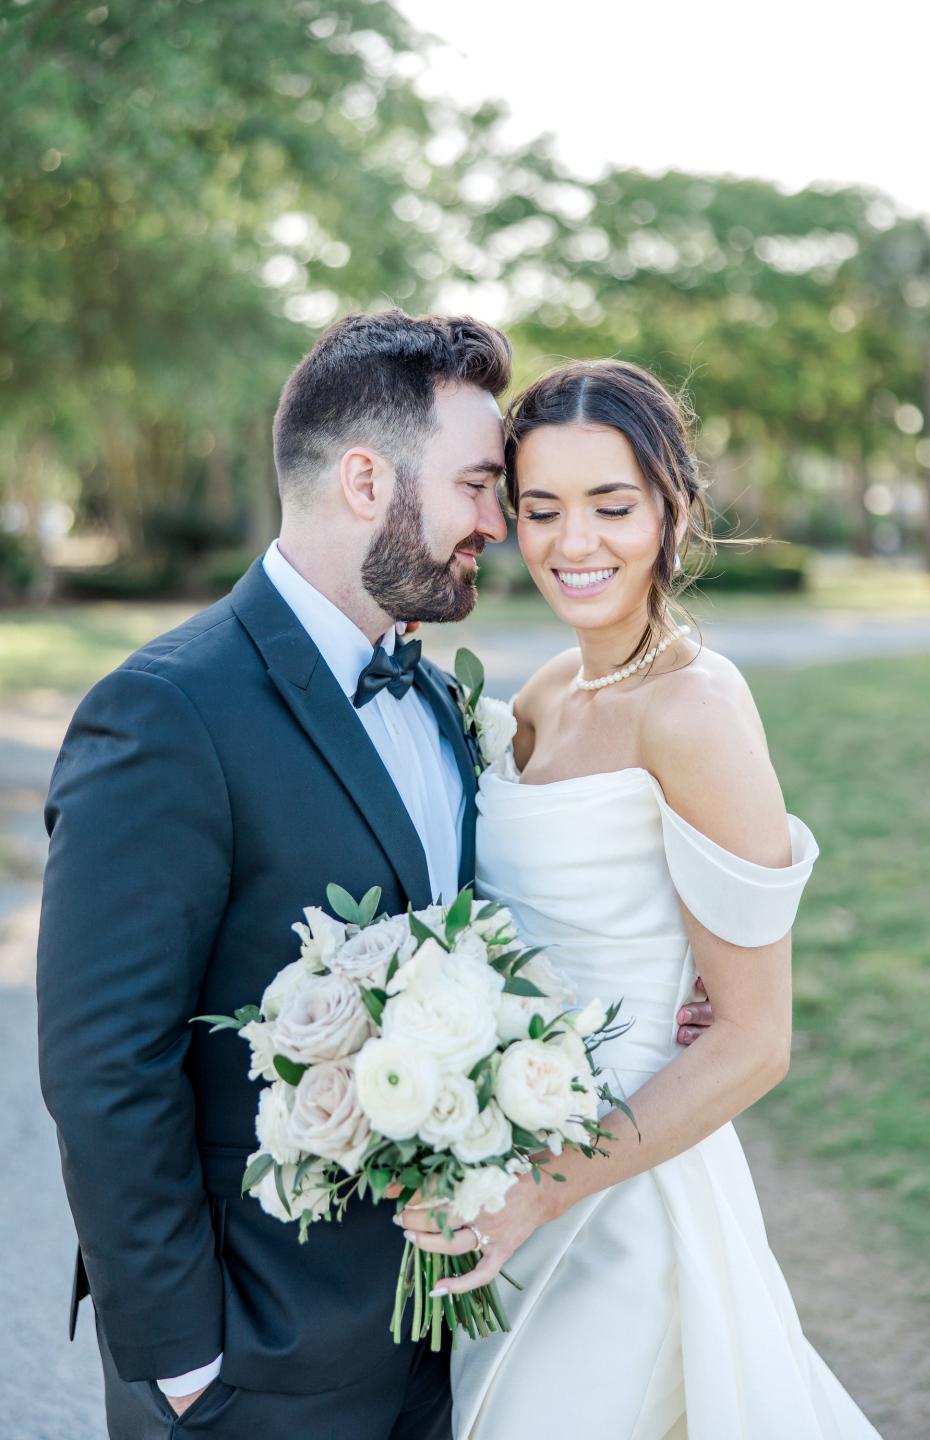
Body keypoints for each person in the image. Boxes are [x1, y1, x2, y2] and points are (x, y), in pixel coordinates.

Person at [34, 309, 718, 1439]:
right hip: (257, 1361)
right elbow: (106, 1065)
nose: (501, 525)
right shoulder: (165, 714)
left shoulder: (445, 699)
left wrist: (664, 975)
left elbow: (498, 911)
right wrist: (186, 1364)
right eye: (477, 487)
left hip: (448, 1332)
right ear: (365, 479)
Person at [397, 359, 883, 1439]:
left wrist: (541, 1189)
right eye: (543, 510)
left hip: (625, 1201)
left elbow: (756, 1042)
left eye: (613, 507)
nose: (577, 544)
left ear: (672, 510)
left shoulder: (695, 709)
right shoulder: (540, 694)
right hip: (511, 1166)